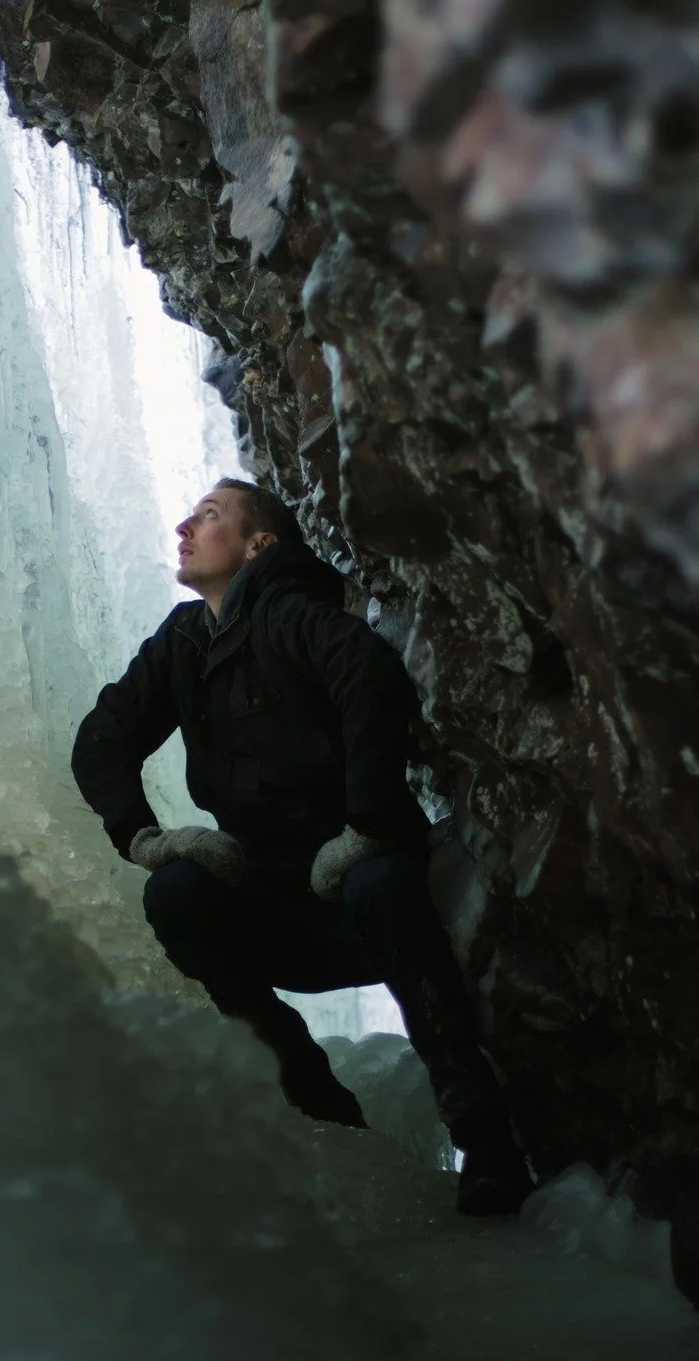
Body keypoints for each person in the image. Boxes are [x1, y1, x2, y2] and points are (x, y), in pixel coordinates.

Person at [71, 477, 534, 1215]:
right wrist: (148, 838)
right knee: (177, 894)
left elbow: (371, 677)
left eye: (211, 515)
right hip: (277, 910)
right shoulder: (185, 642)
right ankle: (315, 1097)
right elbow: (101, 740)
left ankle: (485, 1136)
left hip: (370, 910)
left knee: (379, 882)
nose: (187, 525)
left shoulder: (289, 612)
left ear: (259, 546)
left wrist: (366, 827)